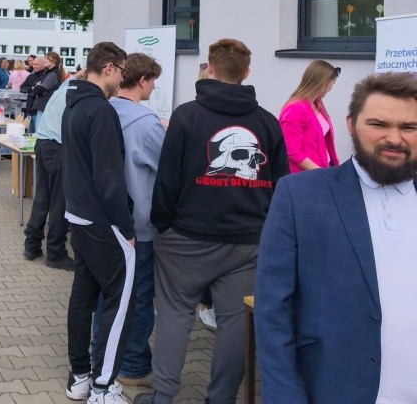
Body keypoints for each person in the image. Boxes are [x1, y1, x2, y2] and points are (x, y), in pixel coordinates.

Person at [134, 39, 289, 404]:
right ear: (247, 72)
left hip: (185, 239)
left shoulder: (186, 116)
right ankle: (221, 398)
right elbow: (282, 186)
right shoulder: (268, 122)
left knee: (175, 314)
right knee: (236, 323)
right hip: (246, 243)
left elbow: (167, 180)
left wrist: (163, 225)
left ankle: (163, 396)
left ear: (211, 69)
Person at [256, 72, 417, 404]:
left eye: (409, 127)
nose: (394, 138)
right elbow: (273, 311)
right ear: (350, 124)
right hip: (336, 388)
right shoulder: (300, 195)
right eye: (378, 124)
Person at [61, 41, 132, 404]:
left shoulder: (72, 103)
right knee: (120, 302)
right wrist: (128, 228)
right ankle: (103, 387)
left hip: (79, 213)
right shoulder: (101, 111)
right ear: (108, 68)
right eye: (122, 71)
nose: (123, 79)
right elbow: (109, 177)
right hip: (102, 221)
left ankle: (80, 377)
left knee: (84, 296)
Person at [91, 53, 166, 388]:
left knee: (106, 295)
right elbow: (168, 170)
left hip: (102, 221)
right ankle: (133, 365)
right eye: (154, 81)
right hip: (137, 225)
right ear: (143, 80)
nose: (155, 88)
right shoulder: (147, 123)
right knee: (138, 297)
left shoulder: (102, 111)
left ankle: (100, 355)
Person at [22, 78, 75, 269]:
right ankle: (55, 252)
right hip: (57, 147)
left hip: (43, 144)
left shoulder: (62, 90)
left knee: (42, 198)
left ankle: (32, 245)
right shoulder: (75, 95)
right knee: (59, 203)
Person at [278, 60, 340, 173]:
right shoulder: (295, 109)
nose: (331, 89)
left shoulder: (317, 102)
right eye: (332, 83)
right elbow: (292, 151)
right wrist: (320, 172)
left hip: (324, 167)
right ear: (323, 83)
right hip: (307, 175)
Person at [30, 51, 65, 131]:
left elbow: (38, 91)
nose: (44, 60)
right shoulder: (49, 73)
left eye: (47, 59)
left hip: (45, 107)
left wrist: (37, 86)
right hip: (45, 106)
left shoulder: (52, 75)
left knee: (40, 131)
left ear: (54, 61)